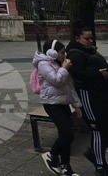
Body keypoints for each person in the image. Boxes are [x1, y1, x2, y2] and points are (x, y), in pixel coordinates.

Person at [34, 39, 83, 175]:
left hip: (63, 103)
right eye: (62, 52)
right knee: (68, 134)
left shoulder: (59, 64)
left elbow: (69, 87)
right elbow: (56, 80)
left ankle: (66, 166)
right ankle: (51, 155)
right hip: (51, 103)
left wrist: (77, 106)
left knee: (65, 135)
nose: (64, 55)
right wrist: (64, 68)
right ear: (52, 53)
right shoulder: (43, 64)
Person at [67, 23, 108, 176]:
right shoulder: (75, 54)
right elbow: (78, 75)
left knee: (106, 129)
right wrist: (100, 75)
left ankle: (94, 152)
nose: (91, 41)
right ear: (77, 38)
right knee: (97, 129)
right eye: (87, 39)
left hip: (102, 95)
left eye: (92, 38)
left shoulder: (90, 51)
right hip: (89, 96)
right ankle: (100, 166)